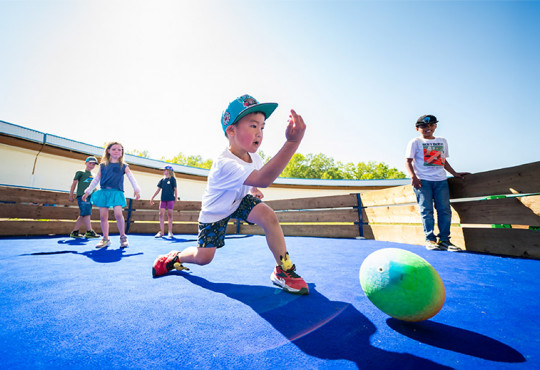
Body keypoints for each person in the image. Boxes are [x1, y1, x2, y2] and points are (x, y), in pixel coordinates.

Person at [152, 94, 309, 295]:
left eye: (262, 127)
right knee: (203, 258)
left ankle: (283, 270)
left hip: (238, 201)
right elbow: (263, 178)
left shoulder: (254, 157)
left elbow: (253, 179)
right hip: (215, 212)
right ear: (231, 130)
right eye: (253, 126)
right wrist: (293, 142)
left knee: (268, 216)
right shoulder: (225, 163)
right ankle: (176, 258)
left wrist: (253, 190)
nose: (259, 133)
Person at [405, 114, 469, 252]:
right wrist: (413, 177)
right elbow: (408, 161)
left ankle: (445, 241)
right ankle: (430, 239)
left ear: (435, 126)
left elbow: (443, 161)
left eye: (431, 125)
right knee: (426, 210)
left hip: (441, 181)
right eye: (423, 126)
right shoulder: (415, 142)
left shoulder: (442, 141)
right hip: (423, 181)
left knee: (444, 210)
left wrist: (455, 174)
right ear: (417, 129)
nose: (428, 128)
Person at [82, 142, 141, 248]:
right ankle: (105, 238)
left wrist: (136, 189)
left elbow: (131, 177)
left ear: (122, 152)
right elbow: (96, 179)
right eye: (114, 149)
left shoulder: (124, 166)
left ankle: (123, 236)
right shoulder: (103, 165)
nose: (117, 151)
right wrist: (88, 190)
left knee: (118, 214)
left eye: (119, 149)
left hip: (117, 193)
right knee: (103, 216)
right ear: (108, 151)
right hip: (104, 192)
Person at [68, 156, 100, 238]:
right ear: (85, 163)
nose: (92, 165)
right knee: (87, 213)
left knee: (84, 214)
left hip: (90, 197)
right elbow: (74, 184)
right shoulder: (80, 172)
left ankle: (75, 232)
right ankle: (89, 231)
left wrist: (97, 195)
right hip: (82, 196)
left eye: (94, 164)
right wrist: (71, 195)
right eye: (90, 163)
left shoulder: (94, 175)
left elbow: (94, 186)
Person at [150, 165, 178, 238]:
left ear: (169, 171)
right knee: (161, 214)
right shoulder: (162, 180)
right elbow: (158, 189)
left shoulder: (172, 179)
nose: (163, 171)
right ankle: (161, 232)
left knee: (170, 215)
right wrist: (152, 197)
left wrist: (175, 198)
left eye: (164, 170)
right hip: (163, 200)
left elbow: (175, 189)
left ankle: (170, 232)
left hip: (170, 199)